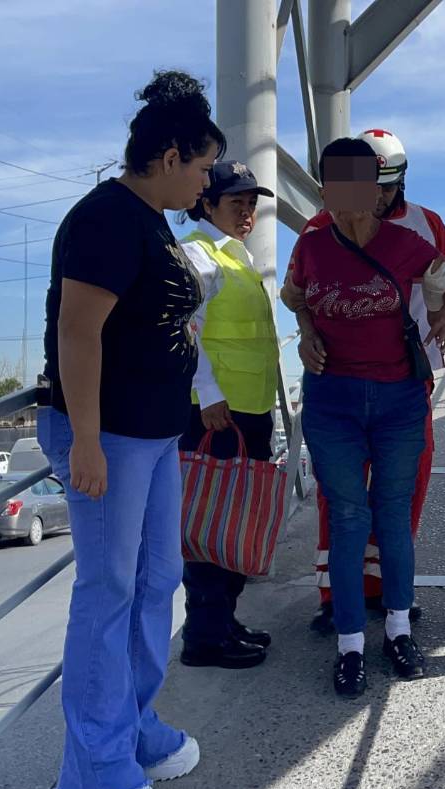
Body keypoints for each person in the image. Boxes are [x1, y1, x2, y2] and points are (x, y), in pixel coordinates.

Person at [37, 70, 223, 789]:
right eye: (204, 168)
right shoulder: (107, 217)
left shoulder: (151, 221)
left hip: (151, 435)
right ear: (171, 155)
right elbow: (78, 332)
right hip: (106, 434)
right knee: (109, 590)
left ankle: (133, 725)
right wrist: (84, 440)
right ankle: (92, 769)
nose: (206, 184)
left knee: (156, 583)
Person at [290, 137, 445, 697]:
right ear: (325, 191)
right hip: (332, 400)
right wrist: (308, 334)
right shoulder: (312, 245)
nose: (347, 199)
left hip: (397, 400)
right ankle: (349, 646)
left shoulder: (408, 243)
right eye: (335, 187)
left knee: (391, 515)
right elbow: (295, 297)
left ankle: (396, 629)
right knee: (346, 517)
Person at [175, 160, 278, 670]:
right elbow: (185, 328)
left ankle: (222, 622)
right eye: (236, 201)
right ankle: (204, 636)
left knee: (234, 522)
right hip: (216, 413)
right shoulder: (200, 254)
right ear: (206, 204)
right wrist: (208, 392)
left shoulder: (237, 257)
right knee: (211, 525)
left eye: (251, 202)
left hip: (248, 409)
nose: (247, 211)